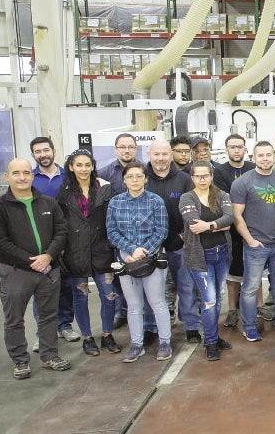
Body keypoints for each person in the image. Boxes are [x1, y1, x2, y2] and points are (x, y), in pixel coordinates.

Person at [0, 158, 71, 378]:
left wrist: (49, 256)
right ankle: (20, 361)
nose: (22, 177)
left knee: (48, 316)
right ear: (7, 177)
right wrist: (33, 261)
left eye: (26, 172)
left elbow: (61, 232)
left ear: (32, 175)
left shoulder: (48, 203)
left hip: (48, 271)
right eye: (16, 173)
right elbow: (0, 243)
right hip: (16, 272)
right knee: (14, 319)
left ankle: (49, 356)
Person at [231, 141, 275, 341]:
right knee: (250, 288)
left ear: (274, 156)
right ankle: (249, 326)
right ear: (254, 157)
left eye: (269, 155)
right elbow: (237, 216)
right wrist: (250, 240)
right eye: (260, 155)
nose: (265, 158)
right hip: (256, 245)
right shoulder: (242, 183)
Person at [55, 150, 121, 356]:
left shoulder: (104, 187)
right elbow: (60, 224)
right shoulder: (64, 192)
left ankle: (108, 335)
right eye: (79, 165)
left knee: (109, 295)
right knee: (80, 296)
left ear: (93, 166)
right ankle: (87, 338)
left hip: (102, 251)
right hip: (75, 253)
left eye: (87, 165)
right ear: (71, 167)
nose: (84, 169)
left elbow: (112, 219)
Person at [106, 163, 171, 362]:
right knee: (134, 306)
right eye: (130, 176)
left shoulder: (155, 201)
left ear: (145, 179)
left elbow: (161, 230)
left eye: (138, 176)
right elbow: (112, 232)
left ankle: (165, 343)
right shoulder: (115, 203)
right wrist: (130, 250)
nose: (134, 180)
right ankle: (137, 345)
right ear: (124, 180)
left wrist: (143, 252)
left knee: (158, 302)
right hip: (126, 260)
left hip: (152, 260)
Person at [179, 162, 236, 360]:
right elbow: (194, 224)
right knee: (210, 300)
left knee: (218, 297)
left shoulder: (222, 195)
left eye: (206, 175)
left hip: (222, 255)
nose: (202, 180)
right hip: (200, 257)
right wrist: (219, 226)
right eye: (198, 176)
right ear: (192, 178)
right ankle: (210, 342)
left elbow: (229, 218)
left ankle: (214, 336)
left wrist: (210, 225)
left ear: (211, 176)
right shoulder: (187, 198)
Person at [146, 139, 200, 343]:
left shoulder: (185, 179)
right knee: (152, 291)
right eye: (156, 154)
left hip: (179, 244)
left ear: (171, 155)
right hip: (151, 246)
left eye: (164, 154)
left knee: (186, 287)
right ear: (149, 155)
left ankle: (192, 326)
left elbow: (195, 208)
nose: (160, 158)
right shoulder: (142, 178)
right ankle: (151, 328)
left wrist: (185, 235)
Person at [29, 137, 77, 343]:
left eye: (46, 150)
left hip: (65, 239)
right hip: (38, 242)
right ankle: (43, 333)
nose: (43, 155)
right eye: (38, 152)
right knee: (40, 288)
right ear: (33, 155)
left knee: (65, 285)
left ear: (54, 151)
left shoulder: (69, 176)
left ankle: (64, 325)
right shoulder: (29, 178)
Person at [213, 134, 256, 328]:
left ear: (245, 149)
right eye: (232, 147)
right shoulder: (220, 172)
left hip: (253, 225)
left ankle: (259, 305)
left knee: (255, 268)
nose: (236, 150)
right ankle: (232, 309)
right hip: (230, 228)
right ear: (226, 150)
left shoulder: (252, 169)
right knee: (233, 271)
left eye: (240, 147)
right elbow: (225, 199)